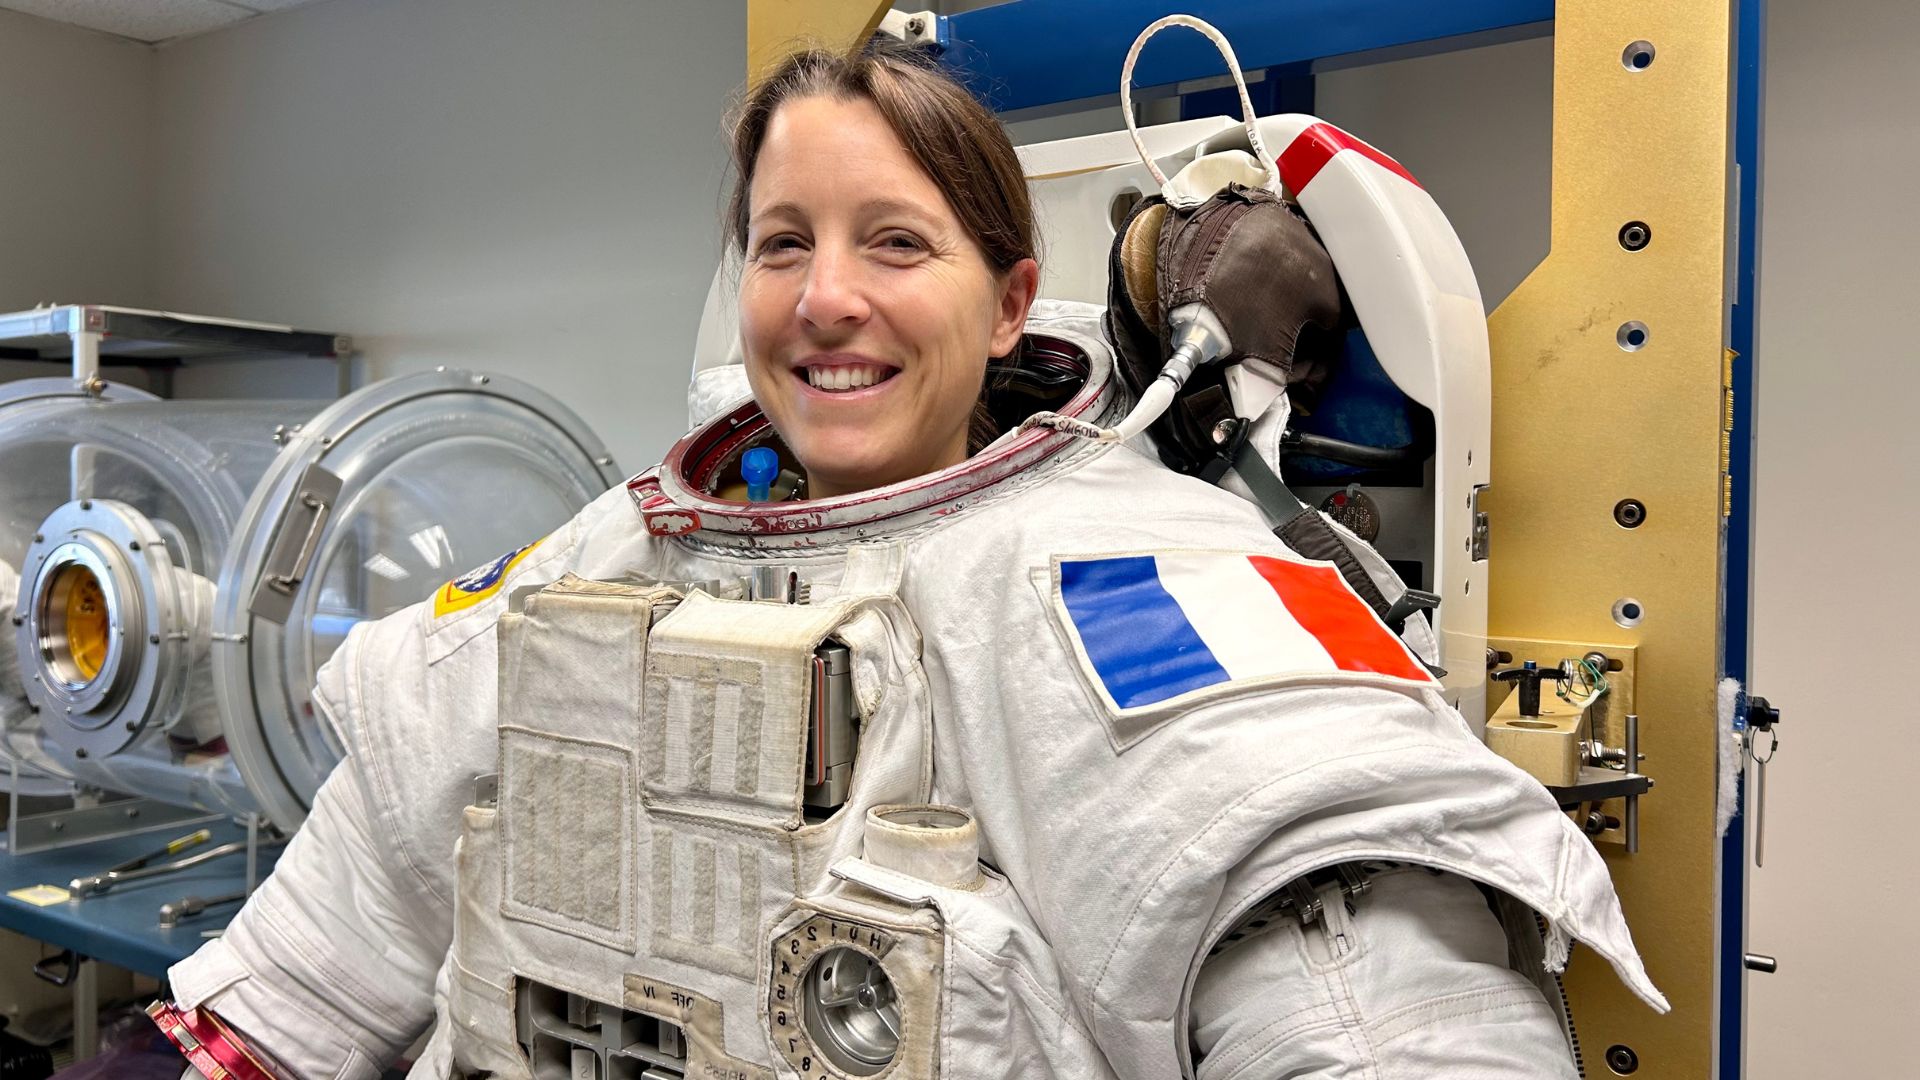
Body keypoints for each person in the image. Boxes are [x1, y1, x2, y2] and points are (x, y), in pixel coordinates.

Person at [153, 38, 1662, 1080]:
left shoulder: (1120, 561)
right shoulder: (607, 551)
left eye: (895, 243)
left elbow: (1342, 965)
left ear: (1011, 305)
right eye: (781, 241)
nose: (826, 299)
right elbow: (331, 949)